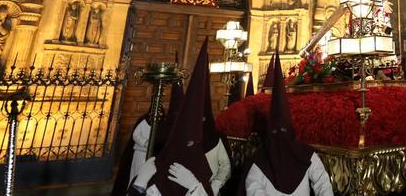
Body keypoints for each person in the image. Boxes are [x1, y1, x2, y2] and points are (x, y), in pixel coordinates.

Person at [130, 39, 231, 195]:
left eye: (193, 142)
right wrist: (139, 185)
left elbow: (224, 167)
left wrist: (196, 187)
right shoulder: (160, 169)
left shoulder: (200, 166)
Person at [244, 52, 333, 195]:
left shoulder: (305, 154)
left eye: (283, 130)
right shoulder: (260, 159)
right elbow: (254, 189)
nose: (280, 137)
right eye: (275, 132)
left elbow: (322, 183)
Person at [112, 81, 184, 195]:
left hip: (153, 155)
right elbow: (136, 135)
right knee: (137, 173)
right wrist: (145, 143)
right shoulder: (144, 120)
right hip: (140, 152)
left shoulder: (163, 124)